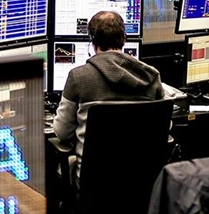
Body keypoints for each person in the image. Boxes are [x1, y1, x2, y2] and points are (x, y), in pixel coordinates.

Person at [52, 10, 165, 188]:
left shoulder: (78, 77)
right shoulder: (151, 76)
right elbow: (164, 128)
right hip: (141, 183)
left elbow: (62, 132)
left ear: (93, 42)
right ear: (124, 39)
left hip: (93, 184)